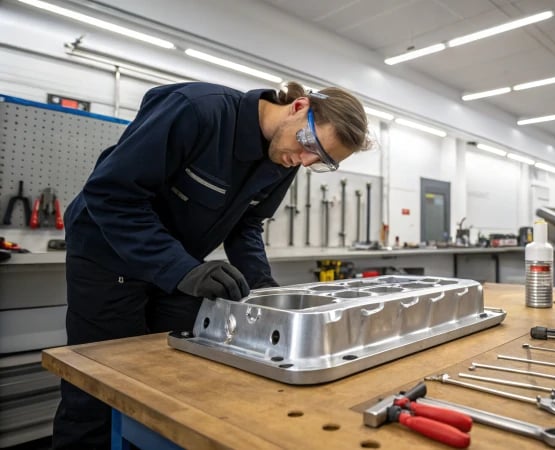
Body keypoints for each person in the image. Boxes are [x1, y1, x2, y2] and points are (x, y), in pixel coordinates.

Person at [52, 81, 371, 449]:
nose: (305, 160)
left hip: (174, 265)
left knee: (168, 379)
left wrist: (265, 290)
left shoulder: (286, 155)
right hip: (109, 255)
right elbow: (110, 194)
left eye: (322, 162)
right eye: (310, 145)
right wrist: (182, 269)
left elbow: (246, 224)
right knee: (98, 390)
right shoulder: (196, 111)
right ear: (299, 106)